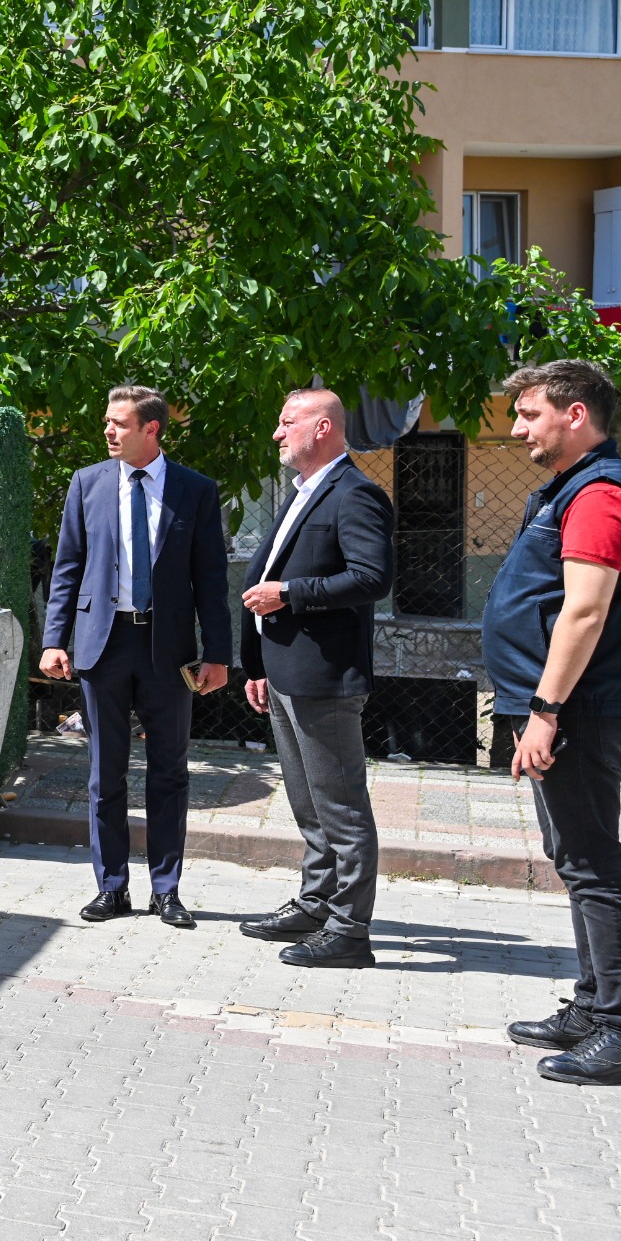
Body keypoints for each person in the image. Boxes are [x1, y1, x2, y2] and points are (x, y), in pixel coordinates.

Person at [484, 361, 621, 1086]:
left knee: (593, 866)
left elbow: (586, 612)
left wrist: (546, 711)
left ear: (577, 415)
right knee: (576, 859)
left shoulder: (600, 494)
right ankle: (593, 1006)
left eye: (530, 414)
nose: (520, 427)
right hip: (566, 709)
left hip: (578, 710)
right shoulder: (573, 490)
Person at [40, 385, 232, 928]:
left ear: (152, 429)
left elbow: (210, 578)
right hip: (103, 644)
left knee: (170, 772)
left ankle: (166, 891)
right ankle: (112, 887)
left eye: (119, 424)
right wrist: (55, 640)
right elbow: (67, 567)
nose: (108, 432)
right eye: (107, 422)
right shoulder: (89, 483)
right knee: (106, 773)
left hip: (168, 652)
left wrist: (217, 653)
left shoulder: (194, 490)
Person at [236, 388, 396, 969]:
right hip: (283, 672)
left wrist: (291, 596)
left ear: (322, 426)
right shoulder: (306, 491)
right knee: (308, 803)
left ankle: (351, 931)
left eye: (287, 422)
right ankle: (317, 900)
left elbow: (371, 578)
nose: (277, 433)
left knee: (342, 806)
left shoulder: (354, 493)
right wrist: (255, 664)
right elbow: (271, 573)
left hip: (325, 677)